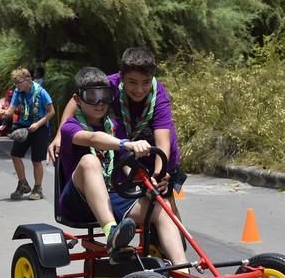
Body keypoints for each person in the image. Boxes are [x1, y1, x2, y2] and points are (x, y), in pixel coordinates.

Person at [59, 66, 208, 278]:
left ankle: (183, 274)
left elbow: (124, 164)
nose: (100, 103)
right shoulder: (71, 126)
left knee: (160, 205)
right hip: (78, 202)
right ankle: (112, 234)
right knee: (90, 162)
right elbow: (91, 138)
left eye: (105, 96)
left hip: (111, 197)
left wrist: (143, 182)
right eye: (92, 96)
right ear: (78, 100)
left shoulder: (113, 126)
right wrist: (122, 143)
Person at [48, 47, 185, 217]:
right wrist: (60, 135)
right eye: (132, 82)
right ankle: (115, 227)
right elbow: (78, 99)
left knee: (165, 204)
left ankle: (175, 239)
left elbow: (163, 139)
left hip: (155, 154)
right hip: (125, 150)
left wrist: (160, 173)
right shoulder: (110, 84)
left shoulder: (159, 95)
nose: (140, 90)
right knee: (132, 197)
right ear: (121, 77)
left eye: (146, 82)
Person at [2, 67, 54, 200]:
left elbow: (51, 112)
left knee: (36, 160)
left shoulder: (41, 92)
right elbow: (11, 109)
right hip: (24, 126)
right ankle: (23, 184)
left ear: (28, 80)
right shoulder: (18, 92)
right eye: (15, 83)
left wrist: (37, 124)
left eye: (19, 82)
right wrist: (4, 112)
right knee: (15, 155)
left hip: (39, 127)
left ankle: (38, 188)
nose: (17, 85)